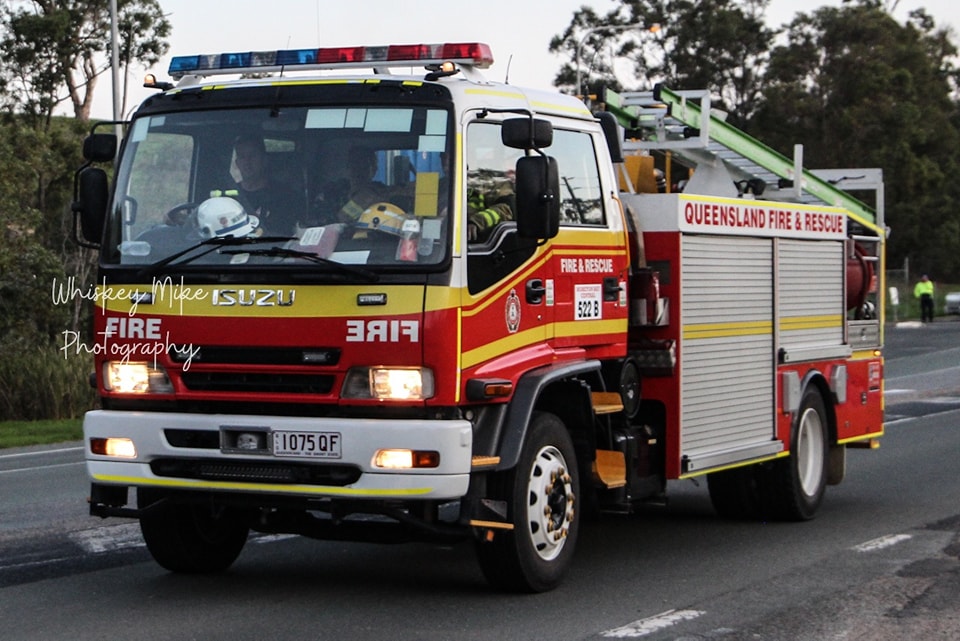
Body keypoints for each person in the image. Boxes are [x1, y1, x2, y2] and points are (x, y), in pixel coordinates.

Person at [232, 134, 304, 236]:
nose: (247, 162)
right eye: (242, 156)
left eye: (252, 155)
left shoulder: (287, 196)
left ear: (264, 160)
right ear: (237, 163)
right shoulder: (230, 197)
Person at [466, 172, 514, 242]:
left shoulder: (500, 183)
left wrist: (476, 222)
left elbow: (505, 210)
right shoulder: (450, 183)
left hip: (484, 242)